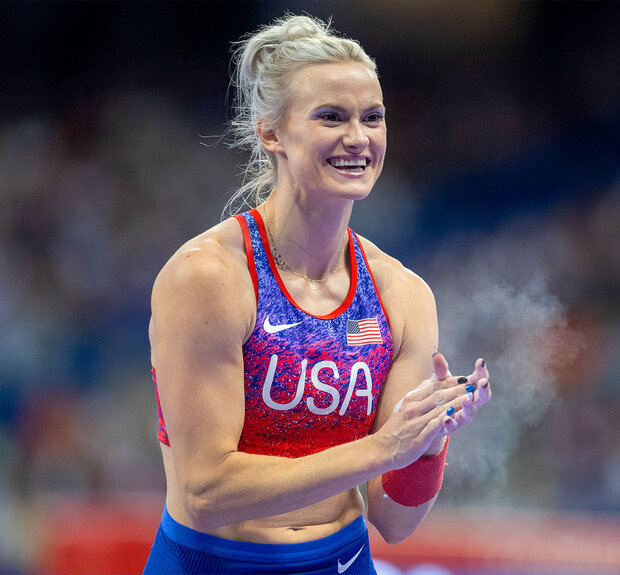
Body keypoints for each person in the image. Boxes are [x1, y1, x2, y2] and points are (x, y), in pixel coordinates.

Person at [143, 12, 491, 575]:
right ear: (271, 132)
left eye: (372, 118)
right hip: (215, 562)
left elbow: (394, 521)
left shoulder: (403, 295)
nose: (358, 138)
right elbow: (206, 491)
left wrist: (428, 441)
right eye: (331, 117)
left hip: (344, 560)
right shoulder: (209, 278)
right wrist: (384, 449)